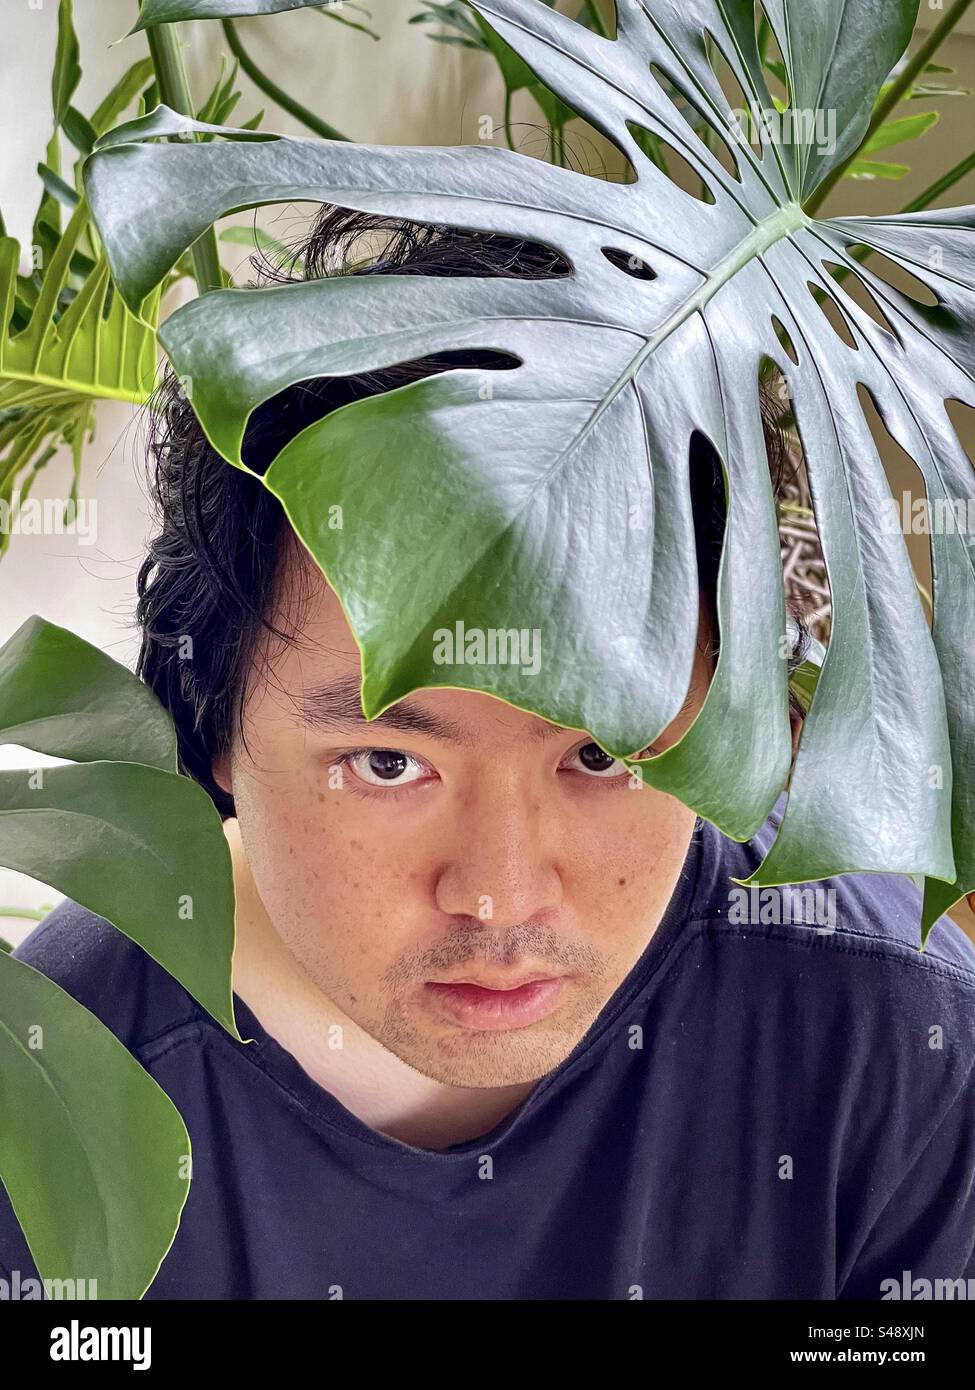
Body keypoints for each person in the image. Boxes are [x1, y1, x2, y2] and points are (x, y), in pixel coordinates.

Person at [2, 208, 973, 1300]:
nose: (499, 896)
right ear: (214, 727)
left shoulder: (898, 1046)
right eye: (387, 764)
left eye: (603, 752)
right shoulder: (46, 1090)